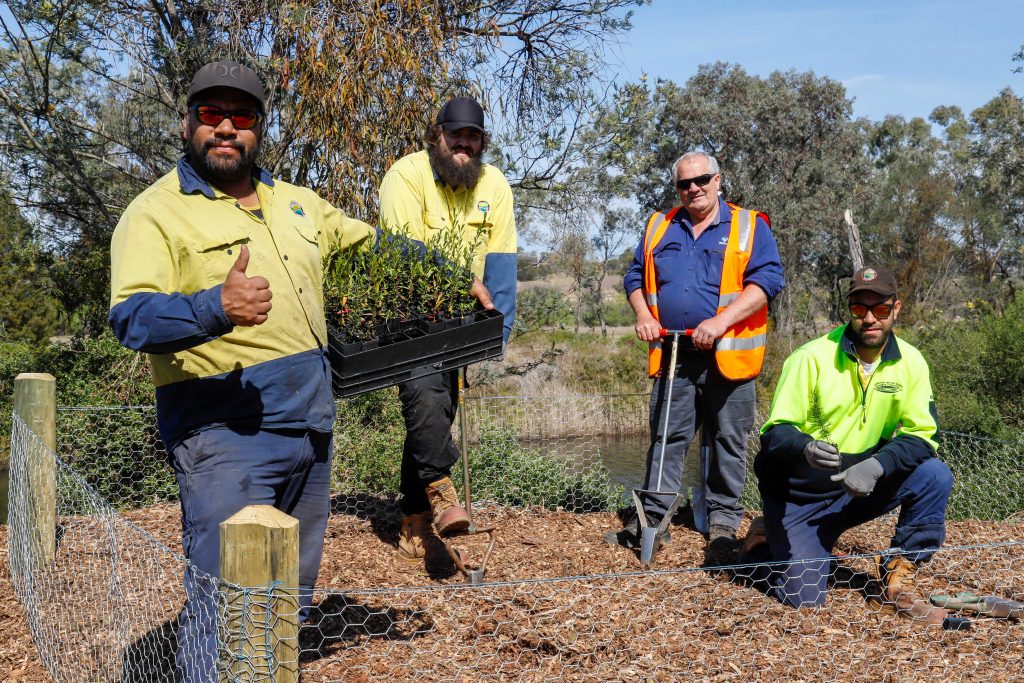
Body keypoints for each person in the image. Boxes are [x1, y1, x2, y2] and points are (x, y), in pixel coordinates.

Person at [108, 61, 379, 681]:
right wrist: (215, 307)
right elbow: (131, 318)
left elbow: (374, 246)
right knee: (225, 603)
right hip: (224, 437)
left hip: (311, 430)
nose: (226, 128)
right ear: (187, 124)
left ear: (259, 128)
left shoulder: (299, 205)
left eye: (242, 116)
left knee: (286, 601)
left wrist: (454, 274)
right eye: (211, 114)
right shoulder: (155, 213)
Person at [746, 265, 952, 624]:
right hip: (800, 499)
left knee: (934, 475)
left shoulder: (912, 363)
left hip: (857, 488)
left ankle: (899, 573)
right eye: (860, 308)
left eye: (881, 309)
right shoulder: (810, 358)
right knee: (804, 602)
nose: (870, 318)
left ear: (896, 309)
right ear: (850, 310)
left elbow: (923, 435)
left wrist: (877, 465)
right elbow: (775, 433)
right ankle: (766, 539)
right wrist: (804, 448)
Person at [606, 151, 784, 554]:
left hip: (730, 357)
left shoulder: (748, 226)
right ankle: (654, 522)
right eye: (684, 183)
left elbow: (768, 280)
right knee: (666, 438)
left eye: (701, 180)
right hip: (673, 354)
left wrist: (720, 323)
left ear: (718, 180)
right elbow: (634, 275)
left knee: (728, 442)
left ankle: (722, 527)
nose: (693, 189)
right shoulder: (658, 226)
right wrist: (643, 314)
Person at [378, 96, 516, 566]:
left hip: (464, 320)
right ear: (436, 135)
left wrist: (498, 331)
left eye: (473, 136)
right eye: (455, 134)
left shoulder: (494, 183)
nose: (464, 143)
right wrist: (462, 281)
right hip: (410, 314)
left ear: (482, 141)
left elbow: (501, 260)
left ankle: (414, 519)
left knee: (434, 414)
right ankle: (439, 491)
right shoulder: (406, 176)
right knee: (425, 397)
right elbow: (401, 252)